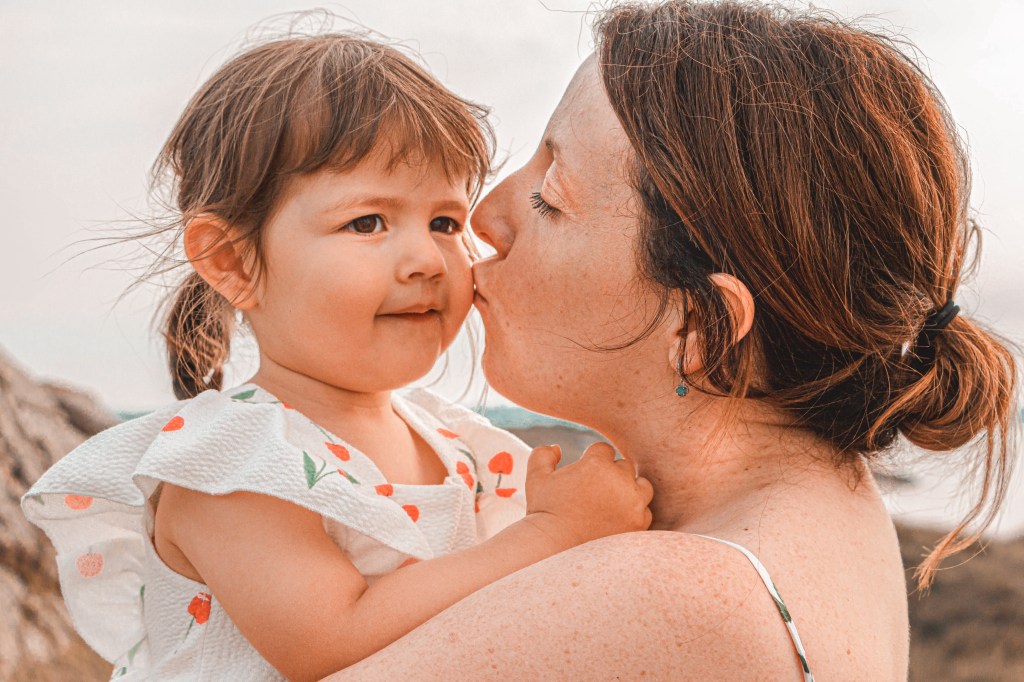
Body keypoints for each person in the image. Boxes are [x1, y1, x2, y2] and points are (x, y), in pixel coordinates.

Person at [324, 2, 1019, 680]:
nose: (485, 216)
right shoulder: (826, 501)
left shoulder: (676, 594)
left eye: (551, 198)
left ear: (703, 329)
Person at [20, 33, 654, 681]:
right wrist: (552, 531)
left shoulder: (455, 439)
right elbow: (332, 639)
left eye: (444, 222)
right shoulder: (230, 463)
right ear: (232, 261)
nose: (426, 260)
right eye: (368, 223)